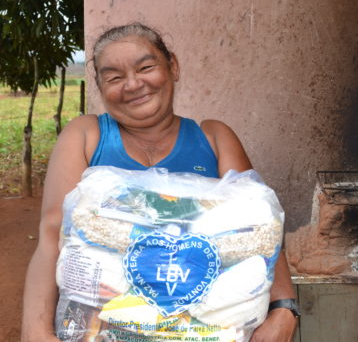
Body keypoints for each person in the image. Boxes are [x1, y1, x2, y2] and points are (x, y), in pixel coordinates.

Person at [21, 23, 298, 342]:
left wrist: (284, 309)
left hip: (206, 330)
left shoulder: (213, 139)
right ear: (100, 87)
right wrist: (36, 330)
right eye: (114, 77)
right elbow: (52, 232)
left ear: (173, 66)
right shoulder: (86, 137)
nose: (133, 84)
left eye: (146, 67)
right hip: (104, 331)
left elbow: (259, 232)